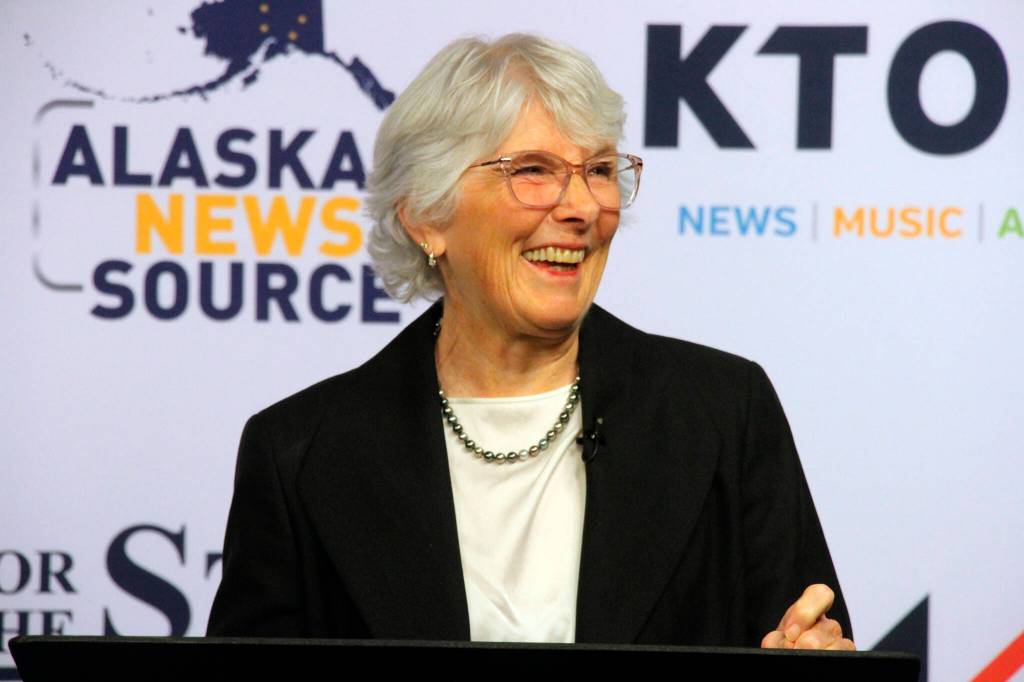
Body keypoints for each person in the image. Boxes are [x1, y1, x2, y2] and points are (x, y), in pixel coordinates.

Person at [207, 33, 854, 650]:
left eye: (598, 169)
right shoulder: (300, 454)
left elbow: (807, 634)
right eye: (535, 170)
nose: (581, 207)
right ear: (426, 214)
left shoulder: (723, 414)